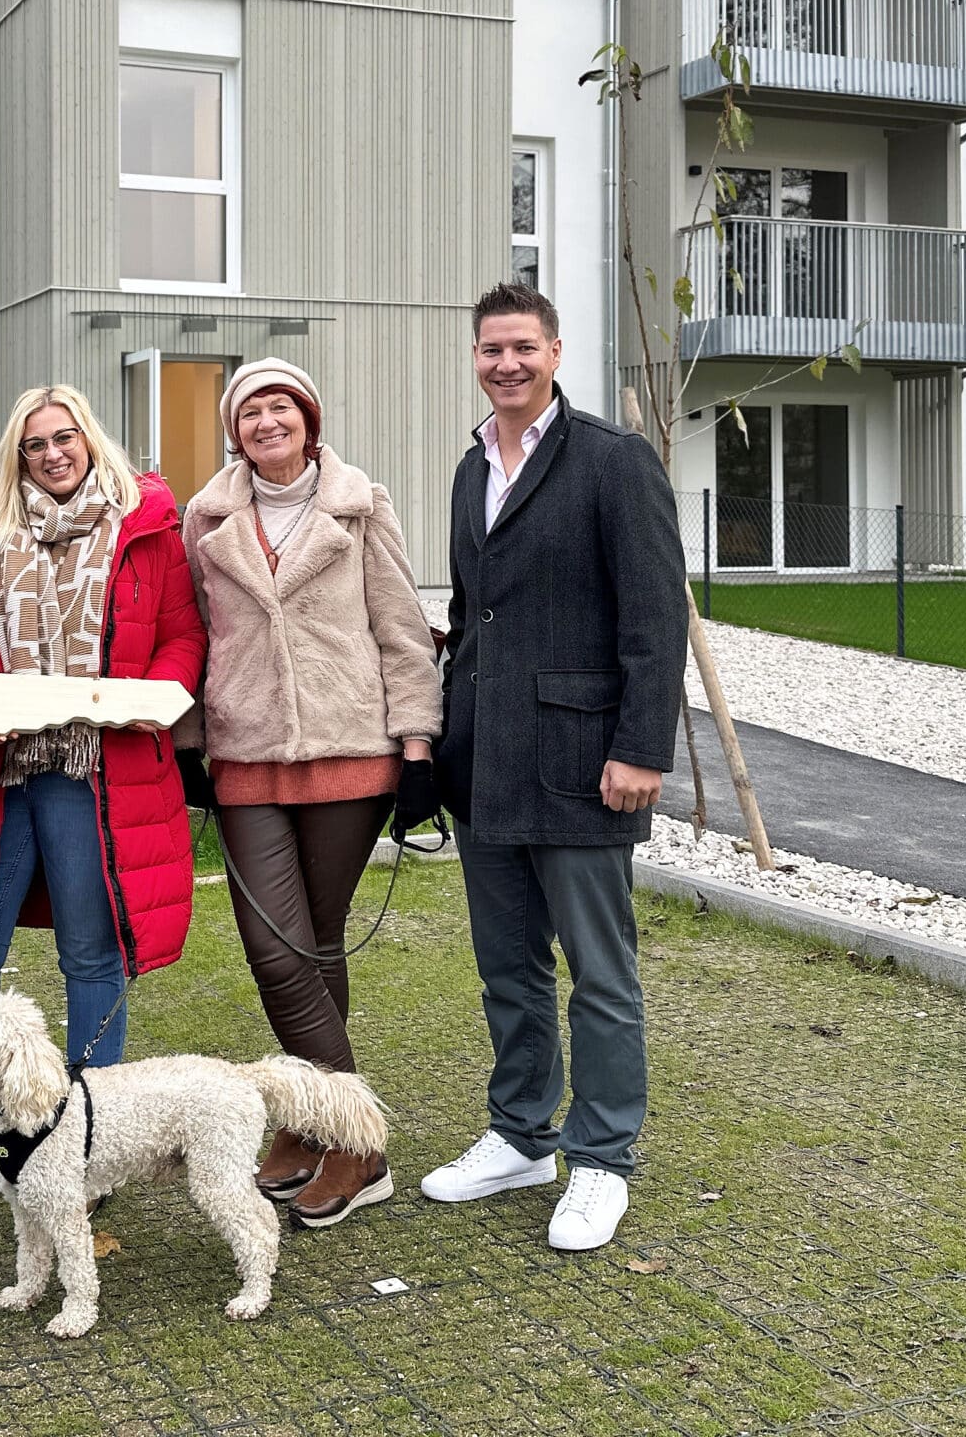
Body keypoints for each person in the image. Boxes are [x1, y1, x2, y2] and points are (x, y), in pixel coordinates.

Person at [419, 284, 688, 1254]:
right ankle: (521, 1135)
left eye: (522, 348)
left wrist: (641, 749)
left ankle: (602, 1158)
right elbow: (472, 611)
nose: (505, 364)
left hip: (584, 763)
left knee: (600, 977)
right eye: (490, 349)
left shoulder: (615, 464)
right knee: (507, 969)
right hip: (486, 762)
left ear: (556, 352)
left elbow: (655, 620)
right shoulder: (468, 468)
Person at [0, 383, 207, 1215]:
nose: (51, 454)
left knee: (91, 956)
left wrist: (147, 698)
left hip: (93, 771)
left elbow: (182, 636)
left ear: (89, 440)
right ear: (17, 455)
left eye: (64, 438)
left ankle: (85, 1140)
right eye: (34, 445)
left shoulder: (143, 527)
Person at [178, 359, 441, 1228]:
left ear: (308, 418)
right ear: (234, 431)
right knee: (277, 952)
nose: (266, 421)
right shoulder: (206, 517)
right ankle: (351, 1135)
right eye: (249, 410)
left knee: (317, 948)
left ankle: (317, 1129)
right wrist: (187, 742)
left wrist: (417, 743)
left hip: (348, 750)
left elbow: (401, 626)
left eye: (280, 404)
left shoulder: (361, 505)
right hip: (246, 753)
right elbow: (194, 631)